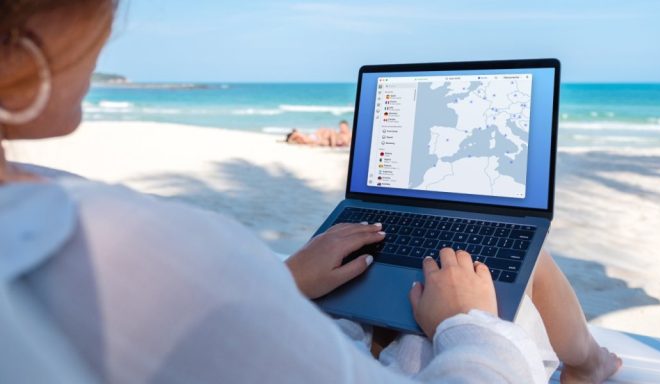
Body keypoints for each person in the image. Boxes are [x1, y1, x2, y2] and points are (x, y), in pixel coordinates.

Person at [0, 1, 621, 383]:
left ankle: (586, 361)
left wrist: (288, 279)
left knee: (448, 257)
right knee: (506, 259)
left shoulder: (50, 215)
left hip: (298, 306)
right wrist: (471, 325)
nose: (110, 22)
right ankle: (586, 364)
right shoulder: (131, 250)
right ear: (24, 40)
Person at [286, 120, 352, 147]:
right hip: (317, 138)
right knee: (304, 139)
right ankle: (291, 137)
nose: (341, 128)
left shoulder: (349, 134)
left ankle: (292, 138)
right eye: (341, 127)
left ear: (347, 126)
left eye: (343, 127)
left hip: (317, 138)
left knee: (302, 141)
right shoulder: (336, 133)